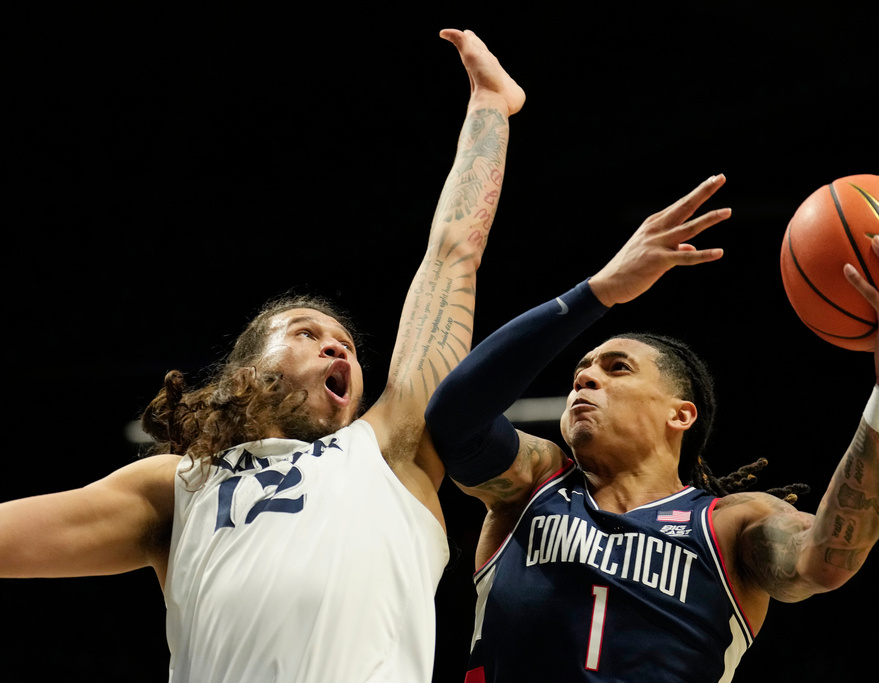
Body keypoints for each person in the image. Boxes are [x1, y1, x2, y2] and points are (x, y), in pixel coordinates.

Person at [0, 29, 524, 683]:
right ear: (246, 370)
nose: (338, 344)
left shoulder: (391, 448)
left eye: (349, 345)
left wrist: (490, 110)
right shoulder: (176, 486)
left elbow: (452, 257)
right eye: (305, 331)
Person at [425, 174, 879, 682]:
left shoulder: (730, 525)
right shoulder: (531, 487)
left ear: (680, 414)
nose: (584, 376)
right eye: (579, 372)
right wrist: (599, 291)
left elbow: (828, 558)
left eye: (616, 368)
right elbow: (453, 415)